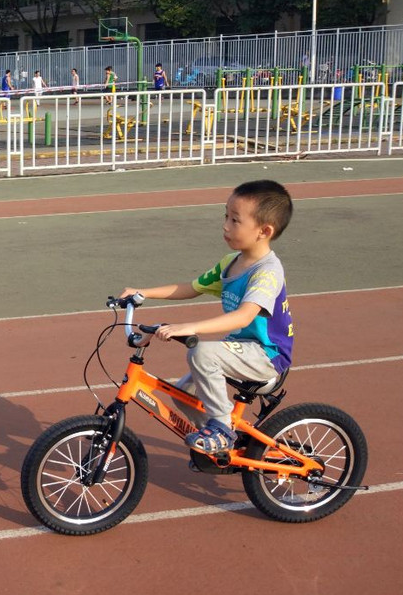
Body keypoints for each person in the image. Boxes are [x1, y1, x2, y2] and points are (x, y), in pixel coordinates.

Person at [120, 180, 294, 456]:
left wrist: (188, 326)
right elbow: (191, 288)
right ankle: (222, 450)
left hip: (266, 355)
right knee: (186, 395)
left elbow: (244, 316)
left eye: (235, 220)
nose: (226, 225)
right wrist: (143, 293)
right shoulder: (231, 262)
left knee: (202, 352)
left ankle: (222, 430)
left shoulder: (267, 272)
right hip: (240, 348)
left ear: (264, 231)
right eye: (225, 216)